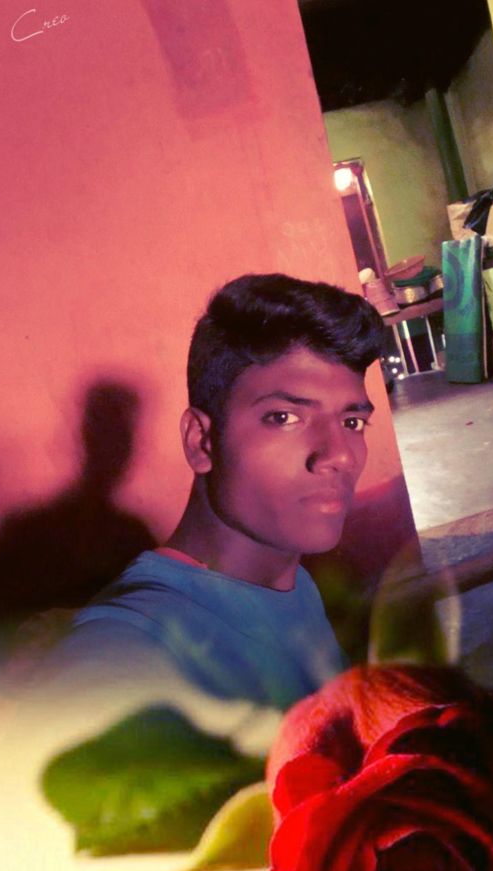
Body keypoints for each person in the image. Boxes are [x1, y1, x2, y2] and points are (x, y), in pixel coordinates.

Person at [23, 273, 384, 739]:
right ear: (201, 440)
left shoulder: (295, 583)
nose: (339, 455)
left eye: (352, 421)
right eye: (284, 417)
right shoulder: (123, 654)